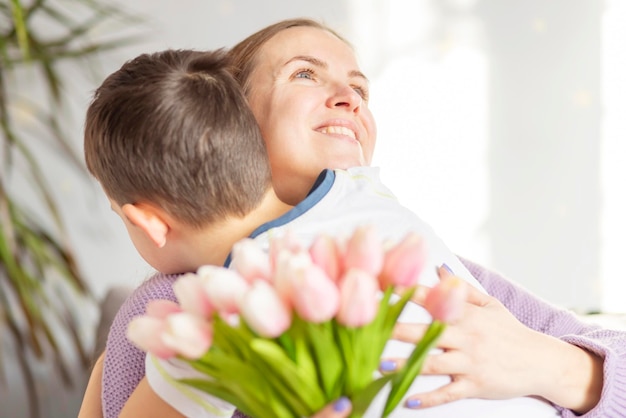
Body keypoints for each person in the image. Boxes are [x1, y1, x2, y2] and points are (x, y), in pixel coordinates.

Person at [82, 17, 625, 418]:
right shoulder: (173, 312)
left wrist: (553, 367)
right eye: (304, 75)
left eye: (361, 88)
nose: (348, 98)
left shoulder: (401, 235)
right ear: (237, 121)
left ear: (147, 221)